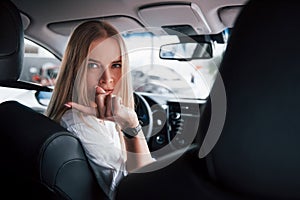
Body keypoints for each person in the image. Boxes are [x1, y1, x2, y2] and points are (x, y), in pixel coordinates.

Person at [46, 20, 154, 199]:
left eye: (116, 65)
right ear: (75, 69)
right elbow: (141, 189)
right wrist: (132, 125)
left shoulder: (103, 114)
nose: (108, 78)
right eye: (93, 65)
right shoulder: (77, 121)